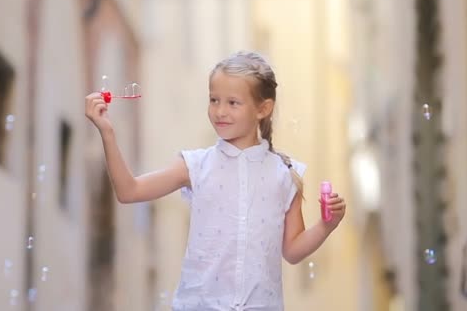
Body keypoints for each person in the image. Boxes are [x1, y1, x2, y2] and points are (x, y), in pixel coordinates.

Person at [84, 51, 346, 310]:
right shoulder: (196, 166)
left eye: (233, 103)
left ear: (263, 109)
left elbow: (291, 250)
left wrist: (326, 225)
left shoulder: (285, 174)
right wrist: (107, 133)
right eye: (213, 100)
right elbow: (129, 191)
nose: (220, 111)